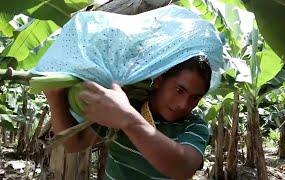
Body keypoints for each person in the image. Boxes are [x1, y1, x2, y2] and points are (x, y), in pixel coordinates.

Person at [45, 55, 213, 179]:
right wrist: (55, 99)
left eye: (195, 97)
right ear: (160, 80)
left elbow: (183, 168)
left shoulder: (195, 127)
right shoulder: (126, 106)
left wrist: (127, 119)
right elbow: (75, 144)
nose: (184, 104)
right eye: (179, 90)